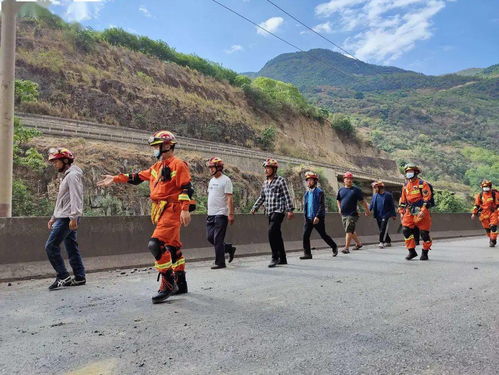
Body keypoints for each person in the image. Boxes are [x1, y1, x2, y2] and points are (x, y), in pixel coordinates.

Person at [97, 131, 193, 303]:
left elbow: (186, 188)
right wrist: (115, 178)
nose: (154, 149)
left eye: (157, 146)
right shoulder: (155, 168)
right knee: (173, 247)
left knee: (155, 244)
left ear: (166, 146)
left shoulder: (178, 165)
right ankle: (181, 282)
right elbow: (136, 177)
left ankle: (168, 282)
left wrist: (185, 209)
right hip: (160, 210)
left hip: (172, 209)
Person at [45, 147, 86, 290]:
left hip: (67, 218)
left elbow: (76, 197)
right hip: (64, 216)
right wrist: (53, 217)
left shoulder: (73, 175)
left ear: (65, 161)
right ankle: (80, 277)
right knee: (71, 247)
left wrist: (74, 217)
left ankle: (63, 276)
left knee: (51, 246)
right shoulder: (68, 175)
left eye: (56, 161)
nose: (54, 164)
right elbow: (62, 200)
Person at [250, 159, 294, 268]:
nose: (266, 170)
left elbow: (286, 195)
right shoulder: (265, 182)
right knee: (277, 235)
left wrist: (290, 210)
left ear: (274, 169)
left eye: (268, 168)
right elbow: (262, 196)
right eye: (265, 168)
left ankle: (275, 257)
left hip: (278, 210)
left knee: (271, 232)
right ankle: (283, 258)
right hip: (269, 211)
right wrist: (255, 207)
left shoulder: (280, 180)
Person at [206, 157, 237, 269]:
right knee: (210, 237)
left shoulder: (226, 180)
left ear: (218, 168)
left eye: (212, 167)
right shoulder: (211, 180)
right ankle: (228, 248)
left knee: (218, 239)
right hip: (211, 213)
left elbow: (229, 198)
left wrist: (231, 214)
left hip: (221, 213)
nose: (210, 169)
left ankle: (220, 262)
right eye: (209, 167)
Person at [398, 163, 433, 261]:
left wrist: (423, 210)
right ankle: (411, 251)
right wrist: (401, 211)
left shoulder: (422, 184)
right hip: (409, 212)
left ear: (416, 172)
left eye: (411, 171)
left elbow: (427, 198)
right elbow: (403, 200)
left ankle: (425, 252)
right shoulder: (405, 186)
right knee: (405, 230)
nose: (409, 173)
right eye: (407, 172)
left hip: (421, 212)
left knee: (424, 234)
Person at [300, 171, 338, 259]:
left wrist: (317, 216)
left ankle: (334, 246)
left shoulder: (319, 192)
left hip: (318, 218)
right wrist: (305, 216)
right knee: (305, 235)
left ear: (315, 181)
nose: (309, 182)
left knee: (323, 235)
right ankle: (307, 254)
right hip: (309, 218)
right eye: (307, 180)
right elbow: (305, 206)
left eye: (311, 180)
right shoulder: (306, 194)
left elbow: (321, 205)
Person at [336, 172, 370, 254]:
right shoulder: (341, 190)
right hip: (344, 214)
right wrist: (339, 208)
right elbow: (338, 200)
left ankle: (346, 248)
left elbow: (362, 201)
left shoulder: (356, 190)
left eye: (351, 179)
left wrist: (367, 210)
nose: (349, 180)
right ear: (344, 180)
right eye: (347, 178)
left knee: (348, 230)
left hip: (353, 214)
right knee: (350, 230)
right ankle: (359, 244)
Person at [369, 181, 396, 248]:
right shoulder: (375, 195)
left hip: (386, 214)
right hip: (378, 215)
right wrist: (368, 210)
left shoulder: (388, 195)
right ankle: (388, 241)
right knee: (381, 229)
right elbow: (372, 204)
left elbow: (392, 205)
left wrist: (393, 215)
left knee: (383, 228)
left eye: (375, 187)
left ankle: (381, 242)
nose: (374, 189)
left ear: (380, 187)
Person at [471, 180, 498, 247]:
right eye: (484, 187)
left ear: (490, 187)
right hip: (484, 214)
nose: (485, 188)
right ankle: (491, 238)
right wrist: (474, 213)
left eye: (487, 187)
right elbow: (476, 205)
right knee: (487, 229)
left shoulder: (495, 194)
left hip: (493, 212)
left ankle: (493, 240)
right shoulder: (479, 195)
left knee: (493, 226)